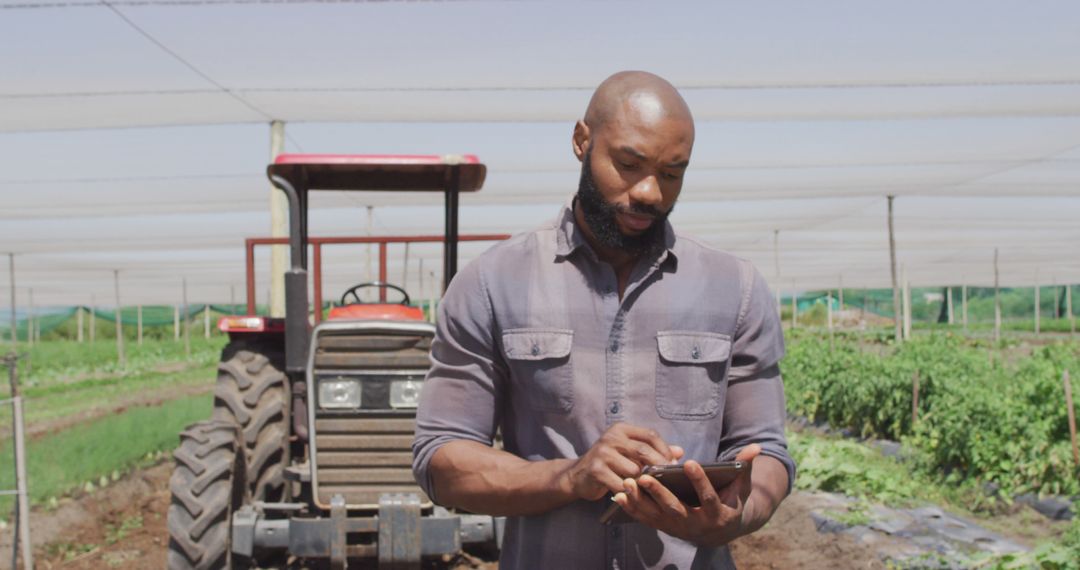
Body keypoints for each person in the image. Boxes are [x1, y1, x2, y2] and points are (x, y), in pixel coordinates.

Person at [412, 70, 794, 569]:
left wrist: (741, 513)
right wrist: (570, 476)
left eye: (673, 173)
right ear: (581, 141)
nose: (650, 193)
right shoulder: (491, 284)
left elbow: (767, 454)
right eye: (629, 164)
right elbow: (441, 460)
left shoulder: (735, 288)